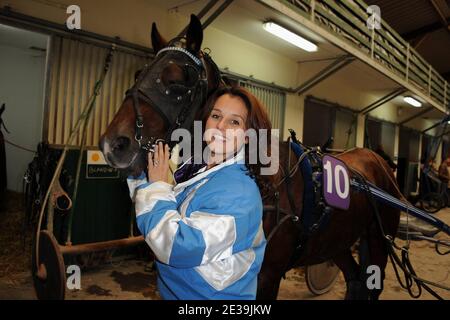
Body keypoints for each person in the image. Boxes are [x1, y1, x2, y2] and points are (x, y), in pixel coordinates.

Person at [127, 86, 274, 300]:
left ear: (248, 137)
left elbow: (177, 246)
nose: (220, 127)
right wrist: (139, 174)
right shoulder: (202, 168)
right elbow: (168, 207)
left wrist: (157, 186)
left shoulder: (238, 193)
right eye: (216, 116)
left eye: (235, 122)